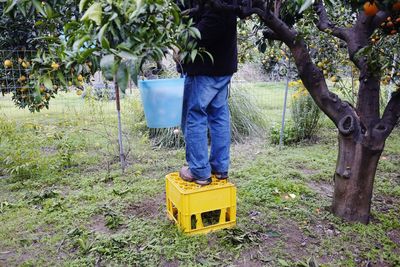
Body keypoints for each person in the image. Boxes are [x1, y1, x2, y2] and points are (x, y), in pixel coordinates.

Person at [178, 2, 238, 186]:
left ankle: (199, 171)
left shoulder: (215, 5)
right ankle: (220, 168)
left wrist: (181, 43)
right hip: (223, 65)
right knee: (218, 114)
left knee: (194, 116)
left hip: (205, 68)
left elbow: (209, 27)